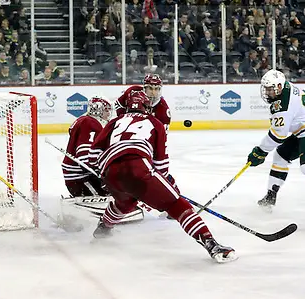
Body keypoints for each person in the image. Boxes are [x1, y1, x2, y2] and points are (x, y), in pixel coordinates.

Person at [89, 90, 236, 263]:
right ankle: (211, 244)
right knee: (177, 205)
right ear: (147, 107)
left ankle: (103, 229)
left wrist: (105, 173)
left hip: (110, 171)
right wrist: (166, 188)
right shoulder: (155, 122)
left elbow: (93, 154)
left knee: (125, 202)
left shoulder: (114, 122)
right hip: (138, 166)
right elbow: (161, 164)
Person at [247, 69, 305, 220]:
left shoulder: (282, 106)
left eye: (271, 89)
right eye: (266, 89)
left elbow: (278, 135)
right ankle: (271, 196)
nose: (268, 92)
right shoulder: (287, 87)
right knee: (281, 156)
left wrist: (260, 152)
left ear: (280, 87)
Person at [62, 96, 112, 198]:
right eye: (106, 110)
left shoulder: (82, 120)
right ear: (98, 110)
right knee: (112, 193)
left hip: (78, 177)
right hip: (81, 179)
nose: (108, 114)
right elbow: (85, 156)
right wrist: (101, 173)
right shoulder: (91, 123)